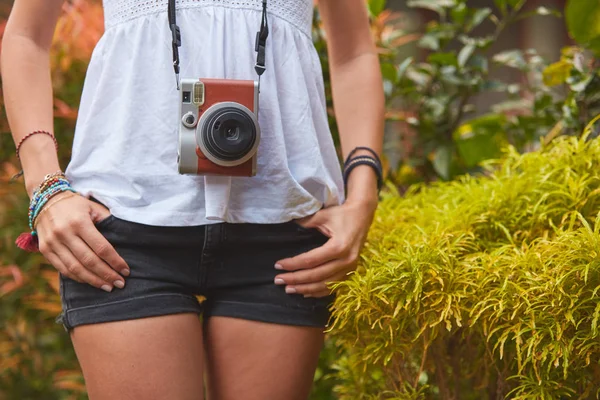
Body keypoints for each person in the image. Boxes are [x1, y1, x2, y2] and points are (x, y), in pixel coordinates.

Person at [1, 0, 384, 398]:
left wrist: (363, 196)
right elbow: (26, 35)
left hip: (284, 233)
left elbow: (355, 50)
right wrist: (45, 187)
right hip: (124, 230)